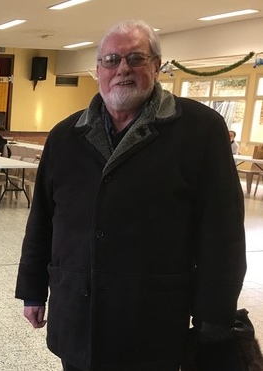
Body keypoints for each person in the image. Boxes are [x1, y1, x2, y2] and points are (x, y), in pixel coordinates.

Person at [15, 19, 246, 371]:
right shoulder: (64, 136)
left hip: (151, 320)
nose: (122, 69)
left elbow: (223, 231)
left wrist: (215, 313)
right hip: (77, 314)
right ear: (97, 71)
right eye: (111, 60)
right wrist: (33, 290)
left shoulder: (200, 130)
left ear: (156, 66)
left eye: (135, 59)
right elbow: (43, 219)